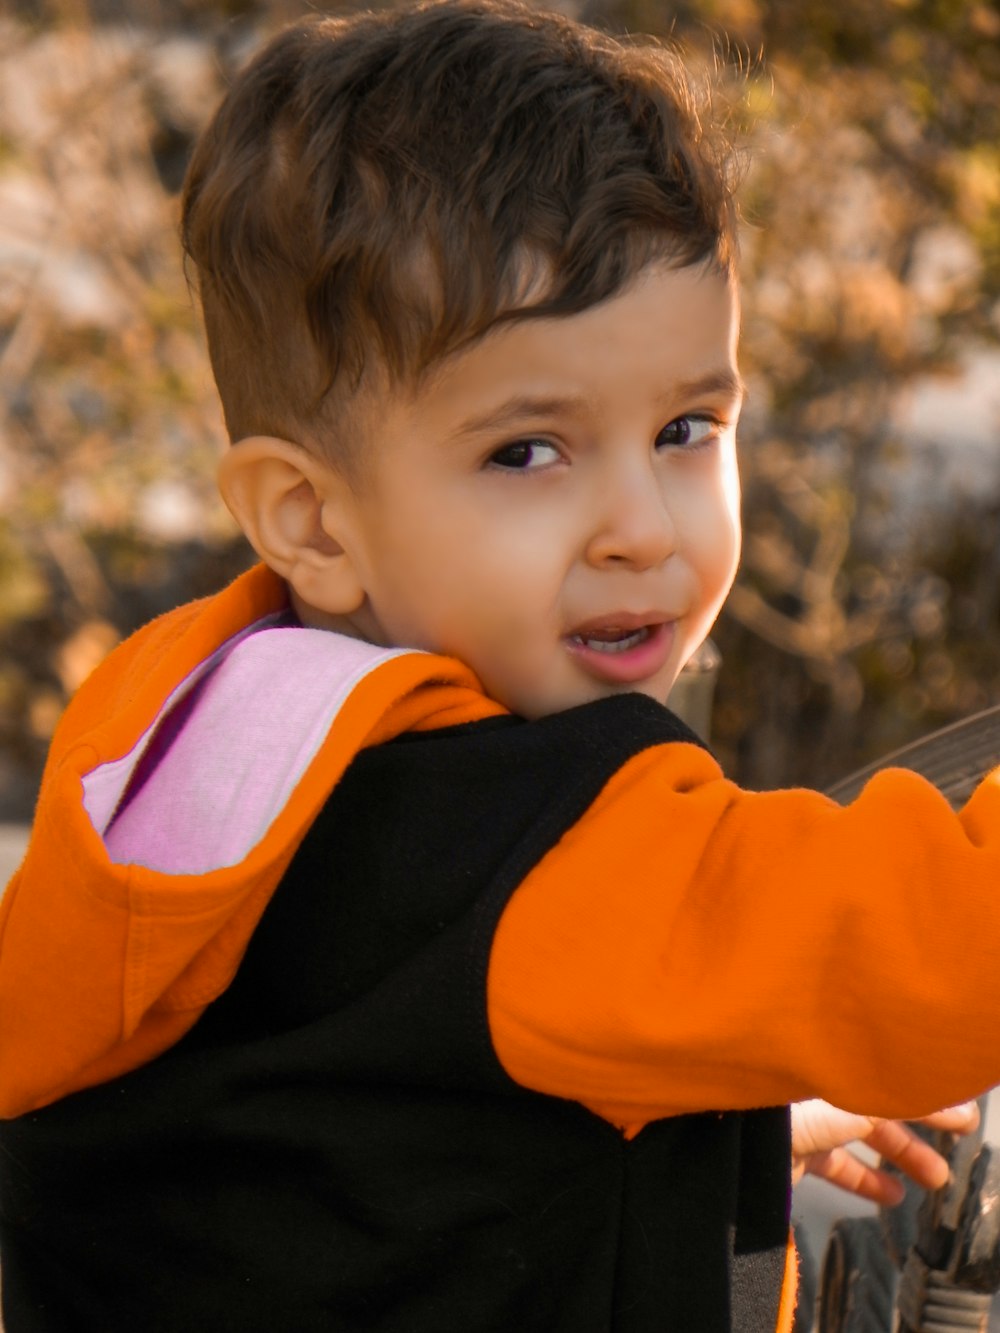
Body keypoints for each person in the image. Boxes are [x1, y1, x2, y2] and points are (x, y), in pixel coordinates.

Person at [0, 2, 998, 1329]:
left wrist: (718, 1099)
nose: (643, 528)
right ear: (309, 518)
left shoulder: (183, 737)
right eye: (529, 450)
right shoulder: (550, 829)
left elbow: (376, 1105)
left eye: (688, 426)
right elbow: (943, 952)